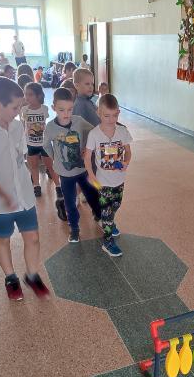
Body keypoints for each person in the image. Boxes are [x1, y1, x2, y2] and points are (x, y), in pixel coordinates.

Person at [0, 77, 50, 300]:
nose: (18, 111)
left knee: (33, 237)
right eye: (15, 107)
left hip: (23, 195)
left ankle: (32, 275)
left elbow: (20, 157)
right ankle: (11, 278)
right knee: (3, 238)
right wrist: (4, 195)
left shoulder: (16, 126)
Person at [43, 87, 101, 243]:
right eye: (61, 110)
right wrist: (55, 157)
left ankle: (98, 215)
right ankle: (74, 229)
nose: (66, 113)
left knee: (92, 193)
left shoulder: (79, 121)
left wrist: (87, 149)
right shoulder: (50, 127)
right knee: (69, 202)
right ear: (54, 108)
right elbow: (46, 145)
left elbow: (93, 132)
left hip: (82, 169)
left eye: (70, 109)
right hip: (65, 174)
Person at [84, 94, 132, 257]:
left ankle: (108, 221)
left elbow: (128, 151)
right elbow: (87, 157)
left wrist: (126, 162)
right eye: (106, 116)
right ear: (98, 113)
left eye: (114, 115)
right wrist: (91, 175)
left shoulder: (122, 131)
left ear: (118, 112)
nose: (111, 120)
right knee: (106, 210)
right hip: (102, 182)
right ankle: (108, 241)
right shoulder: (94, 134)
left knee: (116, 205)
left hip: (119, 179)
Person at [20, 82, 65, 213]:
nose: (27, 97)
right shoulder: (24, 110)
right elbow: (23, 125)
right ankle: (36, 185)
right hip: (31, 143)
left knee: (50, 166)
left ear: (38, 95)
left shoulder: (44, 109)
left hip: (44, 143)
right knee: (33, 166)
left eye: (30, 94)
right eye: (25, 94)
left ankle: (58, 186)